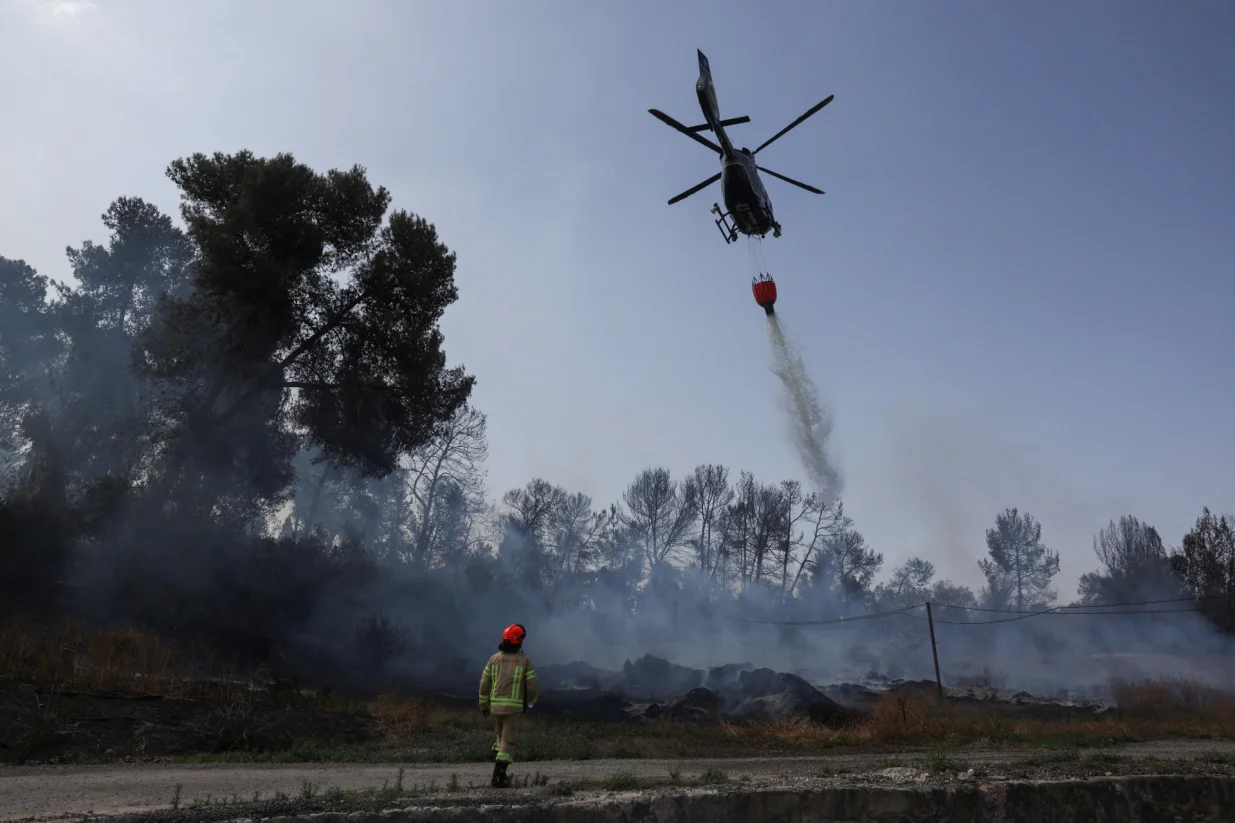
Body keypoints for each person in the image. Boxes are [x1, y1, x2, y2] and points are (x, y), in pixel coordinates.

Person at [478, 623, 538, 788]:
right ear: (518, 641)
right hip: (513, 709)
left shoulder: (494, 659)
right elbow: (532, 684)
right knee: (508, 741)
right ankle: (498, 777)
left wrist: (483, 704)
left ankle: (499, 767)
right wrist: (533, 700)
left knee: (500, 737)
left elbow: (484, 683)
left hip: (495, 708)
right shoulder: (524, 661)